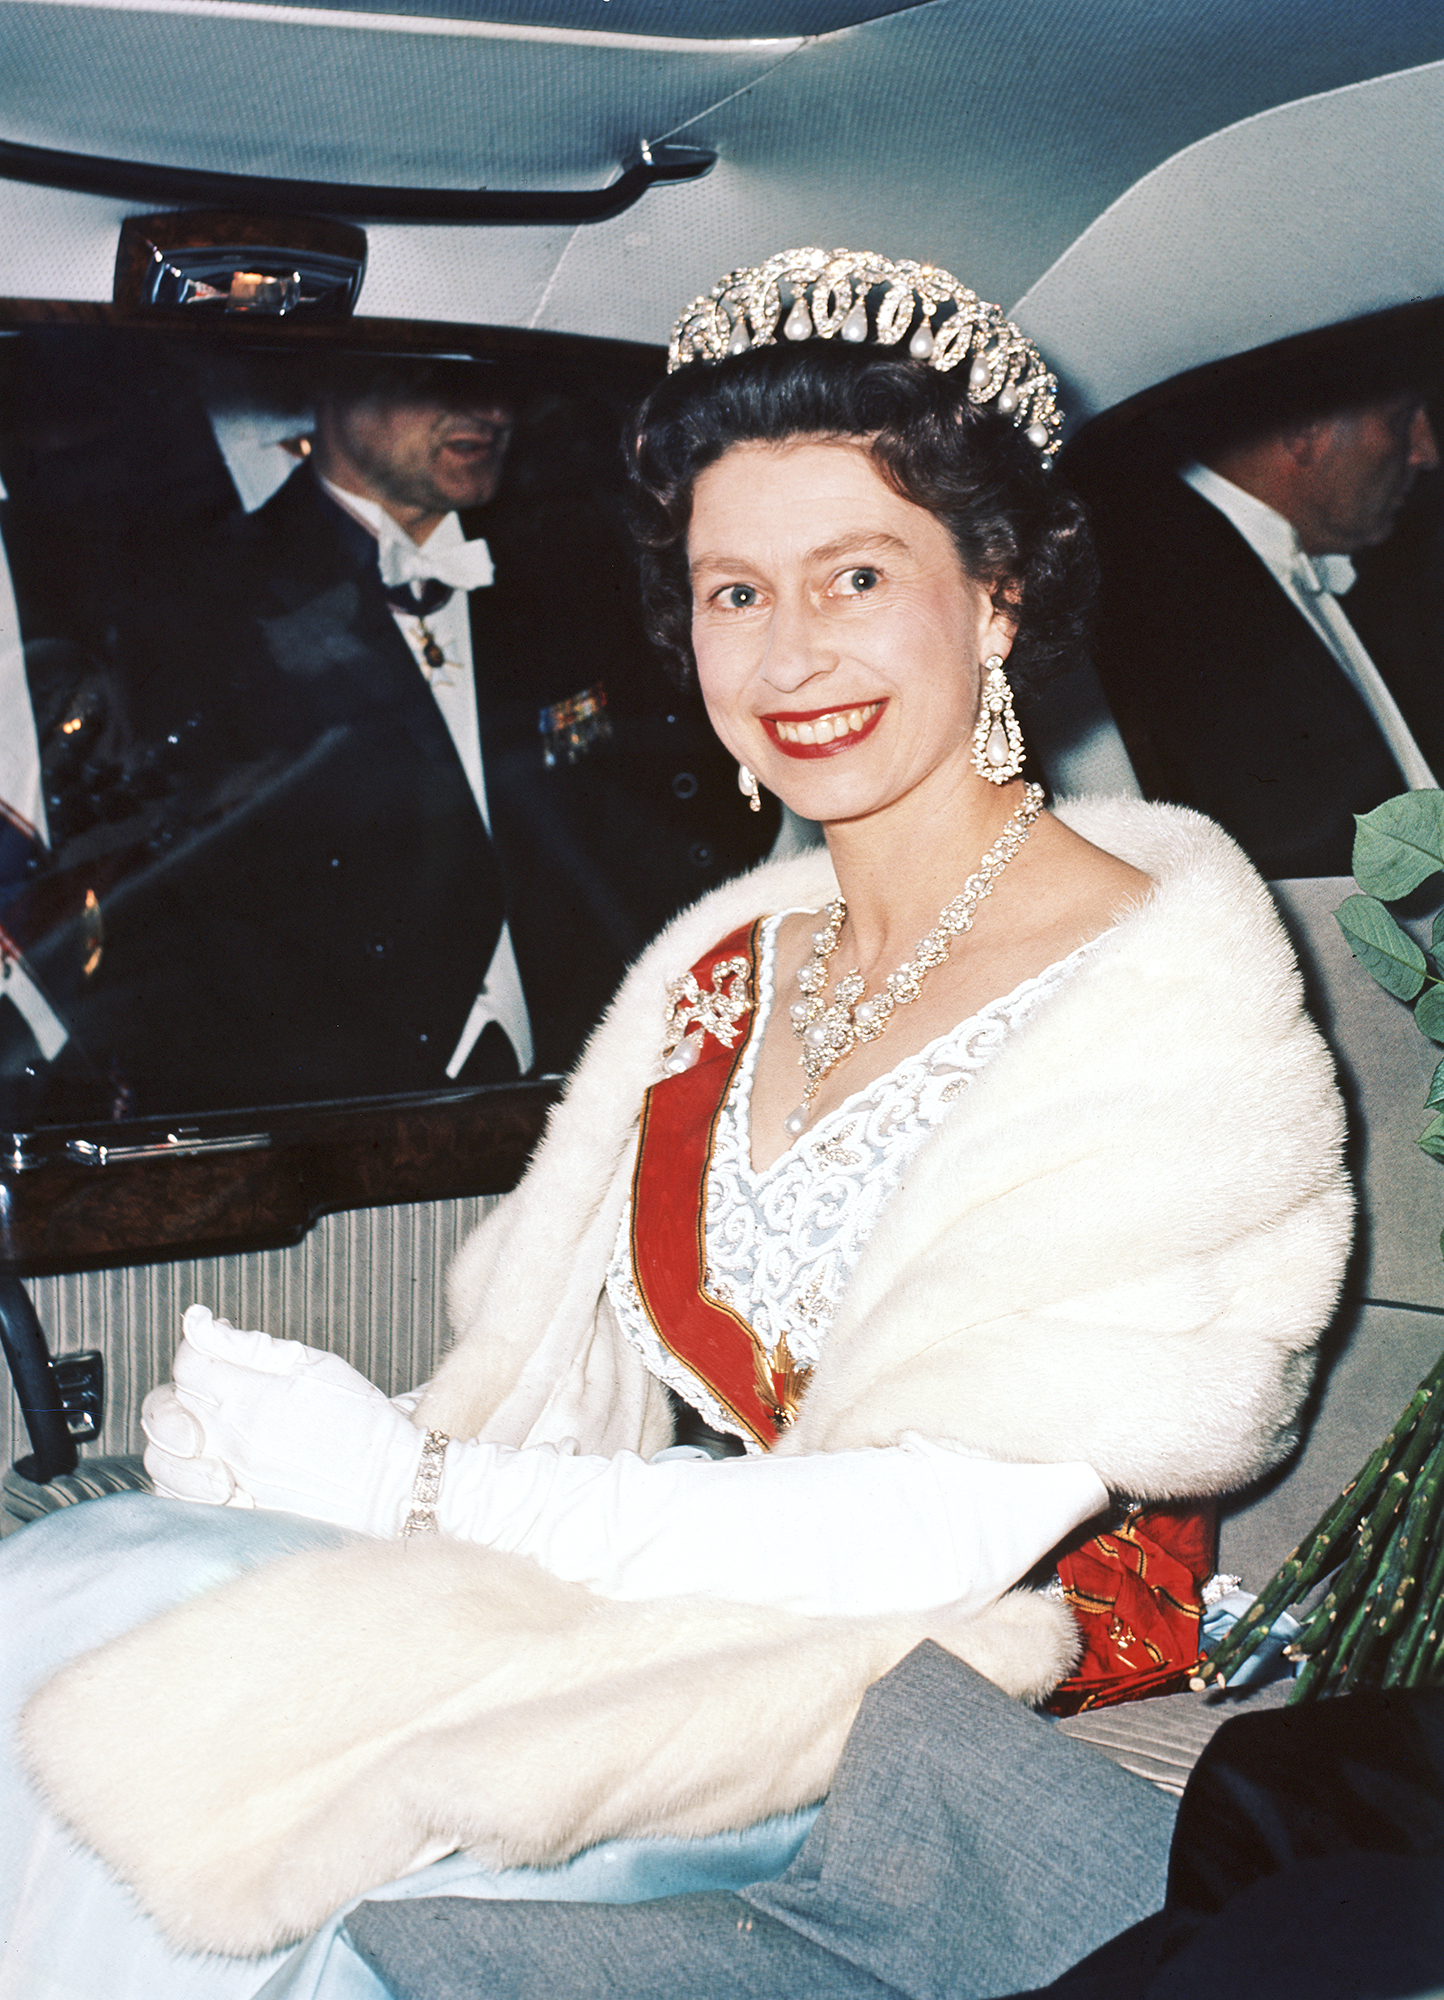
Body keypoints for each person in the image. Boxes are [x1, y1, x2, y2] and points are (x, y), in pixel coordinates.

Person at [0, 247, 1351, 2000]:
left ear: (997, 592)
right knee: (90, 1579)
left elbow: (918, 1540)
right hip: (652, 1593)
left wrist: (410, 1494)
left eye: (854, 576)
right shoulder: (725, 963)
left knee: (277, 1868)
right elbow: (572, 1396)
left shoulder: (1163, 988)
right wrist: (339, 1467)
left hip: (910, 1688)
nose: (787, 656)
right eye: (732, 593)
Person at [11, 347, 777, 1116]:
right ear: (329, 381)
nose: (495, 413)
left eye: (500, 385)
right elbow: (156, 898)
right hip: (321, 1107)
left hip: (566, 1089)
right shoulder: (191, 603)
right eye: (443, 379)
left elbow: (669, 799)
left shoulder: (567, 575)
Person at [1076, 325, 1440, 879]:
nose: (1426, 451)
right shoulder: (1160, 592)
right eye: (1397, 421)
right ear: (1303, 430)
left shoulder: (1361, 573)